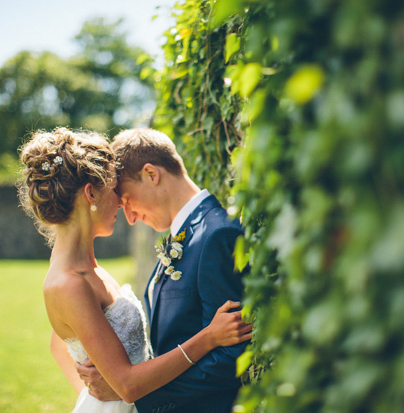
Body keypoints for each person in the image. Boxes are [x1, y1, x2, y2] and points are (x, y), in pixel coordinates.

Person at [17, 127, 251, 413]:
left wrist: (117, 395)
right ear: (91, 195)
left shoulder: (94, 270)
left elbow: (62, 343)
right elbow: (119, 380)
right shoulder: (70, 281)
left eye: (124, 195)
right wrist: (103, 396)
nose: (124, 211)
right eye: (116, 195)